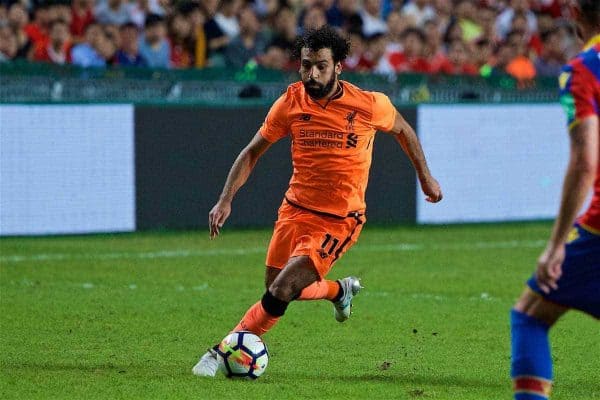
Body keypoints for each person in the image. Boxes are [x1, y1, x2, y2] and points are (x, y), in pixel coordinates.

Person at [192, 25, 443, 377]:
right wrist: (225, 199)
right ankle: (339, 291)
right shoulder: (291, 103)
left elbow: (403, 129)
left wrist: (425, 176)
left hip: (340, 218)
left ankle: (222, 350)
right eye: (306, 65)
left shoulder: (369, 104)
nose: (311, 74)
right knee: (276, 290)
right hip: (294, 209)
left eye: (320, 66)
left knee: (282, 288)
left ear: (339, 66)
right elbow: (252, 153)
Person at [509, 1, 600, 399]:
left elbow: (585, 162)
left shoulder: (584, 69)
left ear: (576, 14)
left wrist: (557, 243)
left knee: (529, 316)